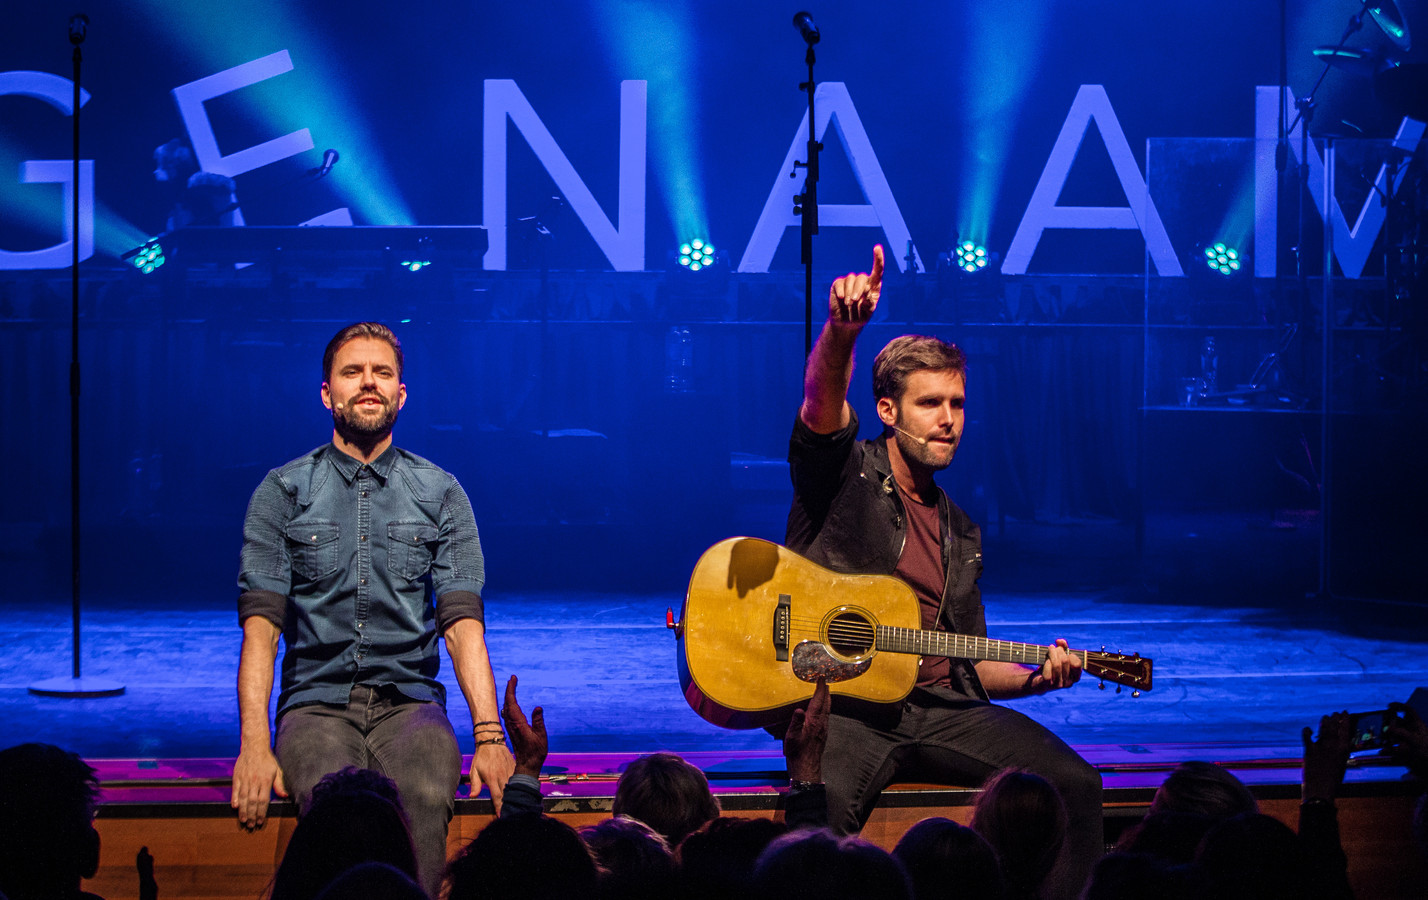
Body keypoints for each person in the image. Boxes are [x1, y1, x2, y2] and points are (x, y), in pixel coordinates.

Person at [783, 245, 1102, 900]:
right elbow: (820, 407)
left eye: (957, 403)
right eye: (930, 403)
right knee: (819, 843)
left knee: (1077, 785)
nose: (949, 420)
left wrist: (1040, 676)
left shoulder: (960, 530)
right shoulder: (844, 479)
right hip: (848, 708)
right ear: (888, 411)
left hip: (938, 710)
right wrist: (842, 331)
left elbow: (969, 660)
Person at [230, 322, 514, 897]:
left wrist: (490, 737)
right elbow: (261, 632)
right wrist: (254, 746)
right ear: (327, 393)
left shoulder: (440, 492)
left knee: (430, 790)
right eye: (352, 372)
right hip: (315, 705)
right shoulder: (282, 491)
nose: (368, 383)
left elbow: (462, 629)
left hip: (409, 703)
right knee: (335, 804)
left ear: (400, 394)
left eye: (382, 373)